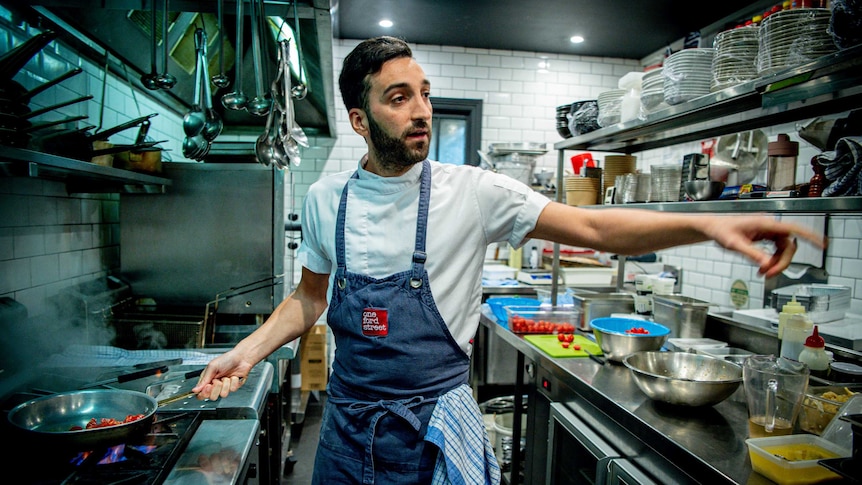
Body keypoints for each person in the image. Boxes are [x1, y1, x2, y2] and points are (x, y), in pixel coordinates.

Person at [193, 36, 826, 484]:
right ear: (360, 120)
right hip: (345, 435)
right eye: (398, 98)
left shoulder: (474, 192)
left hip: (433, 436)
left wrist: (711, 225)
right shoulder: (328, 198)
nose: (421, 111)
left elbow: (593, 226)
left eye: (424, 93)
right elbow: (309, 298)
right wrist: (245, 353)